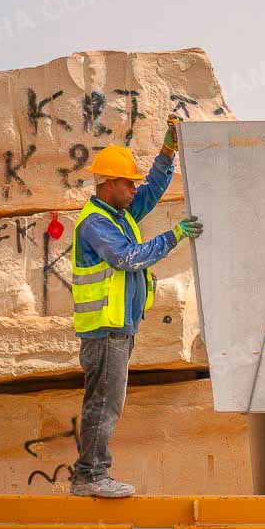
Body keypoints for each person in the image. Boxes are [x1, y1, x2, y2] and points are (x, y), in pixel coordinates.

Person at [69, 115, 204, 498]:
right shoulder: (96, 224)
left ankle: (91, 474)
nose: (134, 189)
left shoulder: (119, 214)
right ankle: (90, 476)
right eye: (128, 183)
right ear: (109, 184)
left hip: (118, 328)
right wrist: (174, 234)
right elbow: (128, 258)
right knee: (104, 403)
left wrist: (168, 151)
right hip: (105, 329)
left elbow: (154, 188)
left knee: (106, 402)